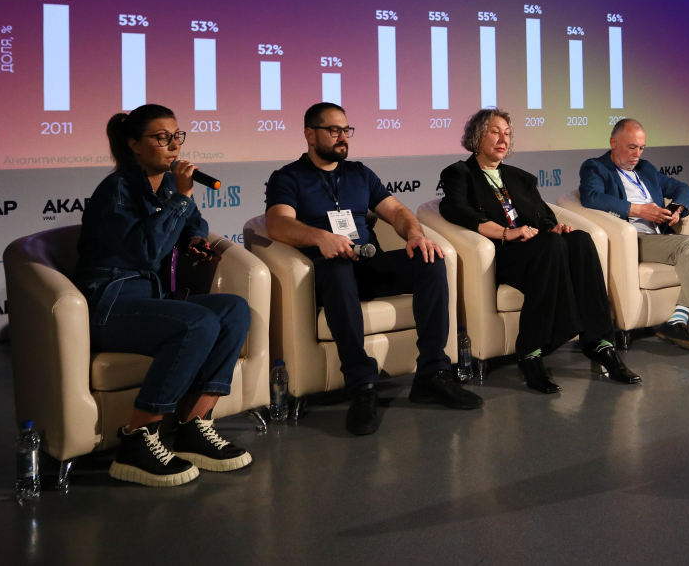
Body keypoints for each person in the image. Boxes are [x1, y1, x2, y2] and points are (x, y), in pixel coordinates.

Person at [264, 102, 482, 435]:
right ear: (310, 134)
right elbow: (277, 224)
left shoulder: (360, 173)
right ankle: (362, 386)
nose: (343, 137)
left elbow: (397, 212)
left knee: (430, 259)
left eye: (346, 130)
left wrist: (414, 235)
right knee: (337, 269)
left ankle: (432, 375)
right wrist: (320, 237)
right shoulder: (288, 177)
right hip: (327, 272)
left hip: (368, 264)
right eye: (334, 130)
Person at [75, 104, 253, 487]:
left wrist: (194, 240)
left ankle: (195, 425)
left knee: (233, 309)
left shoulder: (169, 185)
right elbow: (144, 252)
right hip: (111, 303)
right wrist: (182, 198)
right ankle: (137, 440)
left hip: (151, 299)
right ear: (134, 145)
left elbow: (192, 222)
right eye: (161, 138)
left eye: (177, 136)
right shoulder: (117, 190)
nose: (174, 146)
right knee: (197, 322)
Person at [439, 108, 640, 394]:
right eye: (495, 132)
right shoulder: (460, 173)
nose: (503, 139)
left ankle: (599, 343)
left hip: (539, 249)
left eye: (507, 134)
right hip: (501, 254)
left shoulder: (521, 178)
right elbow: (455, 208)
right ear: (477, 136)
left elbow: (543, 217)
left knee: (580, 240)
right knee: (552, 245)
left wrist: (554, 228)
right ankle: (530, 352)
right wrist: (505, 232)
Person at [579, 118, 689, 357]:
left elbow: (682, 188)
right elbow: (591, 197)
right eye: (631, 147)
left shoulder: (645, 168)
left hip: (658, 235)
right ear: (613, 143)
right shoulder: (596, 167)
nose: (637, 154)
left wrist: (677, 209)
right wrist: (638, 210)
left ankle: (676, 321)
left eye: (641, 148)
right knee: (687, 245)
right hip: (630, 240)